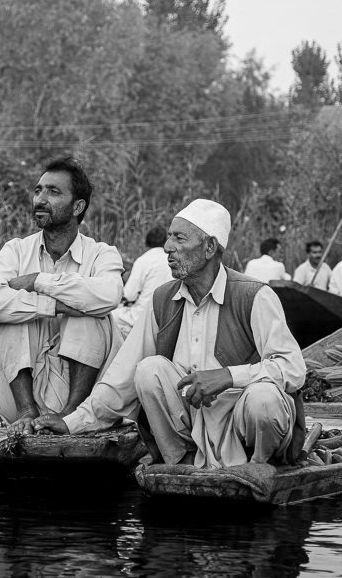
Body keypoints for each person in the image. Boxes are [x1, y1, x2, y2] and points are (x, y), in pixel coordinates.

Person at [34, 198, 307, 470]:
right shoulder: (163, 299)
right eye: (168, 238)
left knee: (264, 399)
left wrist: (228, 376)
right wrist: (72, 422)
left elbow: (293, 368)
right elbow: (123, 376)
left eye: (179, 238)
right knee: (148, 369)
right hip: (194, 426)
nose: (167, 248)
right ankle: (182, 459)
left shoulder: (255, 295)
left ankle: (260, 465)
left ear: (209, 247)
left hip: (244, 425)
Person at [0, 156, 124, 432]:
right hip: (16, 395)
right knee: (10, 316)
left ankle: (70, 415)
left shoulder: (102, 254)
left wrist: (38, 281)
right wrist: (53, 306)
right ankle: (26, 412)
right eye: (38, 190)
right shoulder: (15, 251)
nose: (40, 199)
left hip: (82, 407)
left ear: (77, 206)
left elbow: (110, 294)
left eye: (53, 192)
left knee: (92, 312)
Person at [110, 226, 173, 338]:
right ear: (165, 243)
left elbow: (129, 295)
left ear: (146, 243)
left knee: (111, 315)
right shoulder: (172, 260)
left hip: (143, 316)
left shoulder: (143, 260)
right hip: (168, 316)